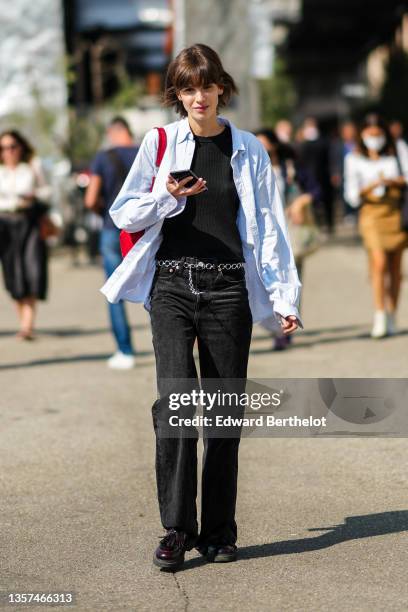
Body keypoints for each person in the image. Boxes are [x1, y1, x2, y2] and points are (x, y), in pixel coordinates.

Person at [101, 43, 302, 569]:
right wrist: (168, 195)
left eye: (205, 86)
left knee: (222, 413)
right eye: (187, 88)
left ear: (221, 88)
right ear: (178, 94)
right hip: (171, 285)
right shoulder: (160, 141)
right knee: (175, 402)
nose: (198, 97)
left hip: (229, 287)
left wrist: (284, 296)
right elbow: (124, 213)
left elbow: (271, 225)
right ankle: (175, 529)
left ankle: (218, 531)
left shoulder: (249, 147)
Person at [255, 128, 320, 350]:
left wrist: (301, 201)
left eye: (266, 144)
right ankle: (273, 325)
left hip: (289, 233)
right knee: (262, 284)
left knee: (291, 280)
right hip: (260, 235)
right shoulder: (247, 169)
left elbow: (315, 189)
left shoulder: (290, 167)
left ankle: (286, 327)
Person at [344, 115, 408, 338]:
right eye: (370, 135)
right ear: (362, 135)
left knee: (395, 268)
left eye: (378, 135)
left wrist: (393, 181)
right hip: (371, 214)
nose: (374, 140)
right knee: (379, 263)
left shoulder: (398, 149)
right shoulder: (353, 158)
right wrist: (368, 187)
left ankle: (392, 313)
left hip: (395, 213)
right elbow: (351, 195)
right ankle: (379, 314)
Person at [85, 117, 139, 369]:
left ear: (112, 132)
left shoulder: (103, 157)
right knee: (160, 291)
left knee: (115, 292)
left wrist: (103, 210)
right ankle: (173, 345)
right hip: (144, 230)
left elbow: (90, 198)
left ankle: (125, 352)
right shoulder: (145, 152)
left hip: (112, 229)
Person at [0, 130, 52, 340]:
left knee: (32, 269)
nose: (9, 151)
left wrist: (34, 196)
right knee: (13, 273)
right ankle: (24, 321)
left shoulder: (33, 166)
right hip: (4, 224)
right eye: (4, 148)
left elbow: (47, 192)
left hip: (28, 222)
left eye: (12, 146)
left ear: (20, 147)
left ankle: (27, 326)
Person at [297, 117, 334, 233]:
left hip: (324, 176)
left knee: (327, 201)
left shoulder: (324, 141)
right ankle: (317, 225)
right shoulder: (301, 144)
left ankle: (329, 224)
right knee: (312, 202)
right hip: (309, 177)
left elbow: (329, 158)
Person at [329, 120, 358, 223]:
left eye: (351, 131)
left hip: (357, 175)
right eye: (347, 131)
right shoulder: (337, 145)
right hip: (343, 174)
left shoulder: (359, 144)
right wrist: (334, 173)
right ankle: (348, 213)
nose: (349, 133)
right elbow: (334, 160)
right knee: (344, 193)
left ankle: (357, 213)